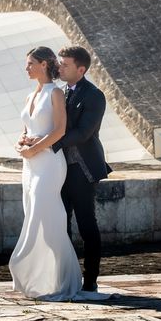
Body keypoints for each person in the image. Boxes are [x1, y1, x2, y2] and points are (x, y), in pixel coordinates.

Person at [8, 46, 82, 301]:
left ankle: (25, 265)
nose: (26, 68)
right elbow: (25, 129)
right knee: (34, 214)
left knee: (43, 215)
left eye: (30, 63)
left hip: (49, 163)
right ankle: (44, 278)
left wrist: (35, 149)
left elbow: (60, 130)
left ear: (43, 65)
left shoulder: (56, 93)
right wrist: (21, 145)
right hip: (30, 165)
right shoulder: (30, 96)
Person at [53, 46, 112, 292]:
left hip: (84, 169)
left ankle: (90, 281)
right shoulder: (61, 92)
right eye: (60, 63)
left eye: (65, 64)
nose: (60, 67)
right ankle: (66, 278)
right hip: (59, 170)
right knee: (61, 223)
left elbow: (84, 133)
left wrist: (51, 144)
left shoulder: (95, 95)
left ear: (81, 69)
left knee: (87, 225)